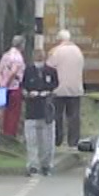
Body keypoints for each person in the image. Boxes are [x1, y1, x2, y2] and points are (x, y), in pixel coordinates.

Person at [19, 48, 60, 176]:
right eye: (37, 56)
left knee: (47, 141)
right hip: (32, 111)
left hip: (47, 112)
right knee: (32, 141)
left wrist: (48, 93)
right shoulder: (28, 71)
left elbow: (55, 87)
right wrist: (29, 94)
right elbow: (23, 89)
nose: (39, 58)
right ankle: (33, 165)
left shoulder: (51, 71)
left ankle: (46, 165)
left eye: (41, 56)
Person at [46, 30, 87, 148]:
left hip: (59, 89)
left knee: (57, 115)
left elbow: (49, 67)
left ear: (59, 39)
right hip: (76, 89)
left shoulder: (56, 51)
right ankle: (73, 141)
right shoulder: (78, 51)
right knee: (74, 116)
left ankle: (57, 140)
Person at [0, 37, 26, 139]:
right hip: (14, 88)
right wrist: (7, 83)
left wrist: (1, 84)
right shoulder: (18, 57)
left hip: (1, 88)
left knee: (0, 113)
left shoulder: (5, 55)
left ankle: (0, 135)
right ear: (21, 45)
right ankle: (10, 136)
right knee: (13, 114)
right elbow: (14, 72)